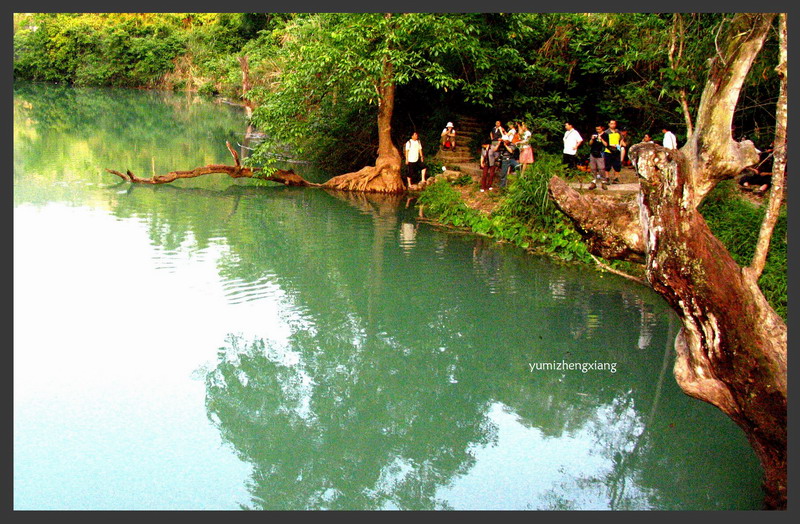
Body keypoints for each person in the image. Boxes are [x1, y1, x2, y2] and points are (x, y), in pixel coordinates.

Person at [601, 119, 623, 184]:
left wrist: (619, 145)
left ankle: (616, 178)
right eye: (611, 123)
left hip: (617, 150)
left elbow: (621, 139)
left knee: (617, 165)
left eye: (614, 124)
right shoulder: (606, 132)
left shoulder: (618, 132)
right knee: (607, 165)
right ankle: (607, 178)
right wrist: (609, 145)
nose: (613, 125)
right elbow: (603, 140)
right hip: (608, 150)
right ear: (609, 124)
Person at [587, 124, 607, 190]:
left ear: (602, 128)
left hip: (600, 153)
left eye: (599, 129)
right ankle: (593, 182)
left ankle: (603, 182)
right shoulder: (594, 134)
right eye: (596, 129)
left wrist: (601, 139)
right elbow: (590, 144)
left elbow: (606, 144)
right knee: (593, 168)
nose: (597, 130)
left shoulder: (605, 135)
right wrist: (592, 139)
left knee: (601, 168)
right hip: (593, 152)